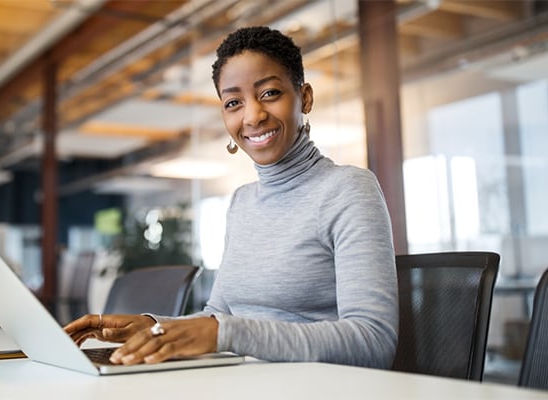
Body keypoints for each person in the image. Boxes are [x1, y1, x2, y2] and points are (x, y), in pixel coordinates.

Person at [65, 26, 398, 369]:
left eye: (269, 93)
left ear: (305, 97)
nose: (252, 116)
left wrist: (226, 334)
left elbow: (374, 341)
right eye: (234, 102)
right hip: (242, 381)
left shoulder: (348, 189)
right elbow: (219, 315)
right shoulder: (242, 202)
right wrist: (156, 325)